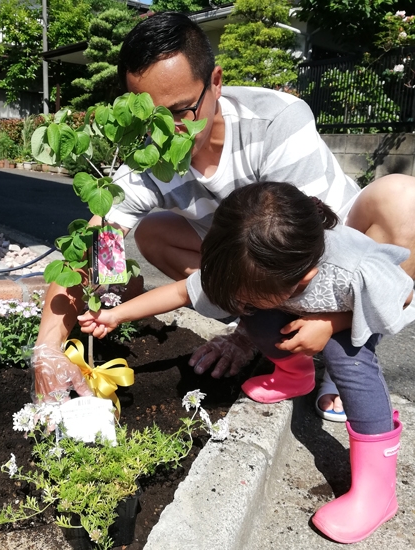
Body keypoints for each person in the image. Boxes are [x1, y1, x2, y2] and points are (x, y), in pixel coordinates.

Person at [33, 11, 415, 415]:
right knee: (153, 234)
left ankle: (343, 346)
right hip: (250, 258)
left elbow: (307, 249)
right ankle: (257, 328)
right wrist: (47, 347)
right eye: (150, 120)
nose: (167, 134)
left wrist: (331, 323)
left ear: (215, 83)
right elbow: (96, 250)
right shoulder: (148, 158)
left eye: (182, 111)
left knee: (403, 199)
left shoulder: (274, 123)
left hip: (332, 251)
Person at [78, 181, 413, 543]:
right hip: (284, 290)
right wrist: (116, 315)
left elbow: (403, 299)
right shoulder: (248, 258)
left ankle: (378, 492)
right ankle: (293, 373)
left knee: (349, 360)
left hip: (350, 312)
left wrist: (330, 323)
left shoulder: (352, 268)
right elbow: (179, 292)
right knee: (251, 311)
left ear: (303, 279)